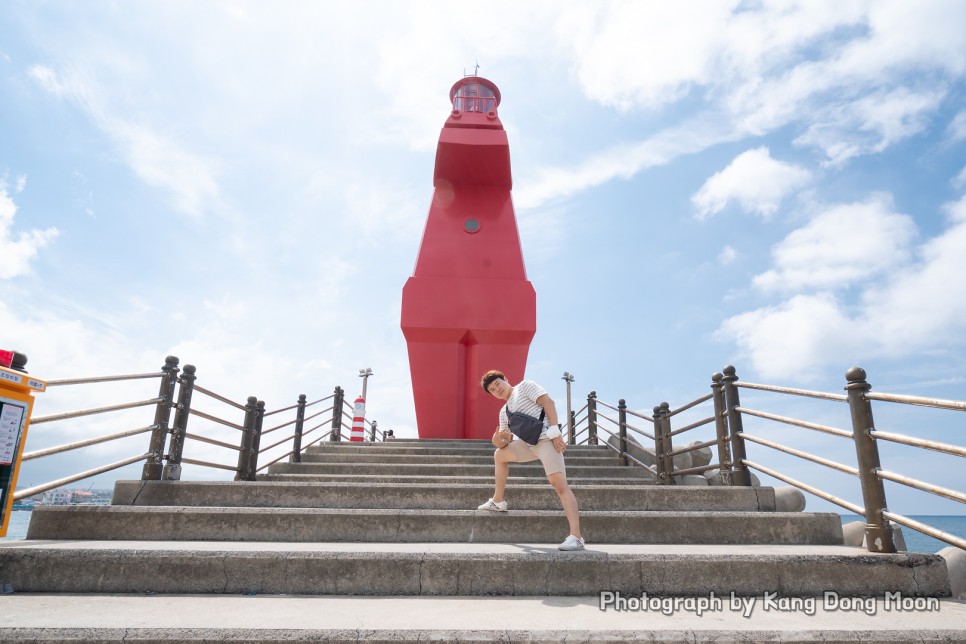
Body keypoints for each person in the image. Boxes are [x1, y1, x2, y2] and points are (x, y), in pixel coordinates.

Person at [476, 369, 584, 551]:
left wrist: (555, 431)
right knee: (499, 455)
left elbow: (548, 402)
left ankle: (576, 537)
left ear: (505, 379)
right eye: (493, 390)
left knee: (559, 485)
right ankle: (498, 501)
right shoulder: (504, 412)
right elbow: (504, 443)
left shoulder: (524, 386)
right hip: (527, 444)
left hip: (546, 440)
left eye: (497, 384)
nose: (497, 389)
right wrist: (497, 438)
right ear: (492, 395)